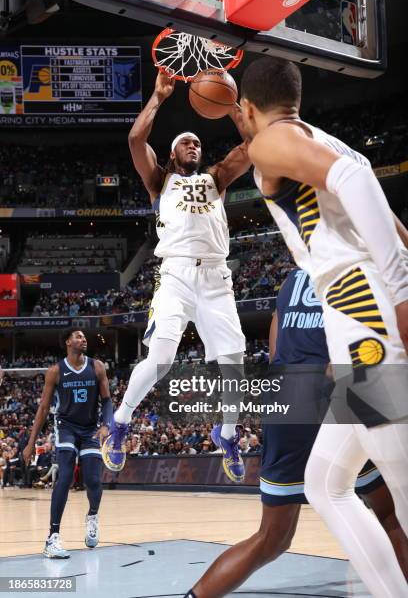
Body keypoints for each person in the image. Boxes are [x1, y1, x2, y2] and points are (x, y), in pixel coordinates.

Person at [236, 56, 408, 596]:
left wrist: (401, 296)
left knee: (405, 491)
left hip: (366, 319)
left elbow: (355, 181)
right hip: (363, 321)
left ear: (245, 108)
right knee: (325, 482)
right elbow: (398, 231)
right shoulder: (327, 140)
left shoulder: (271, 142)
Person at [186, 268, 408, 597]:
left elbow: (276, 353)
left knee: (271, 538)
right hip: (339, 386)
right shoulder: (358, 261)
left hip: (285, 393)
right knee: (390, 517)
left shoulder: (291, 278)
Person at [103, 71, 251, 482]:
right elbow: (136, 141)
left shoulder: (216, 179)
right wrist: (158, 96)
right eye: (186, 142)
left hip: (217, 278)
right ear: (172, 152)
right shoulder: (160, 180)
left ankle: (226, 434)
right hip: (176, 276)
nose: (194, 145)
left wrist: (232, 105)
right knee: (162, 358)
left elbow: (252, 146)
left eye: (198, 142)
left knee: (235, 364)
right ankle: (120, 422)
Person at [23, 328, 113, 559]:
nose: (83, 339)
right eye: (78, 336)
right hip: (66, 427)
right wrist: (31, 443)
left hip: (91, 428)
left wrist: (107, 425)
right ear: (67, 342)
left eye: (84, 336)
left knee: (93, 480)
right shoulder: (55, 371)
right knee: (64, 476)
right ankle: (52, 537)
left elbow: (107, 401)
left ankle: (92, 515)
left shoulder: (97, 367)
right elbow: (43, 408)